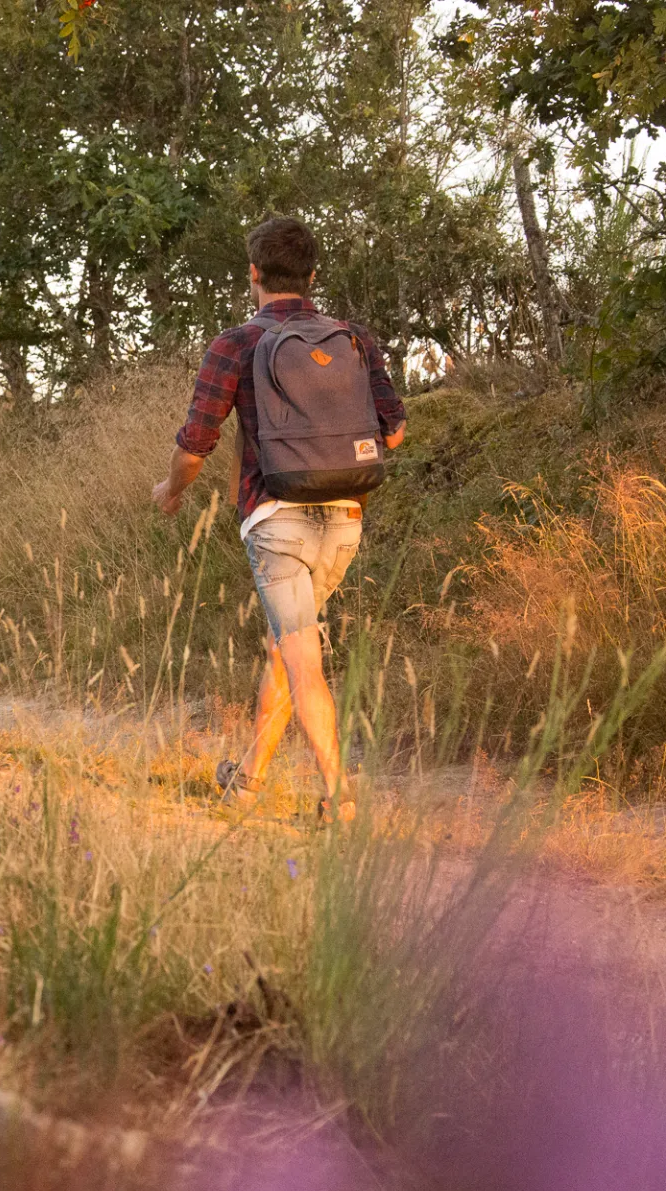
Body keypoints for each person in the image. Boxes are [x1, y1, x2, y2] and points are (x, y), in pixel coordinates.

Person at [152, 216, 406, 822]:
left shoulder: (235, 343)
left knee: (301, 658)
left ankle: (339, 797)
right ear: (313, 276)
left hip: (275, 521)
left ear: (253, 274)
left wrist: (170, 490)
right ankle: (246, 782)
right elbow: (394, 432)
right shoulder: (354, 338)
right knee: (283, 652)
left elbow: (196, 444)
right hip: (346, 515)